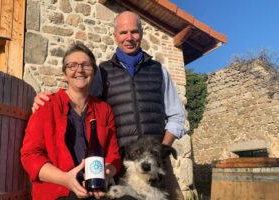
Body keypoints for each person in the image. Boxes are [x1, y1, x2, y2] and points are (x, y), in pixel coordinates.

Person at [32, 11, 186, 199]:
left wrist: (160, 150)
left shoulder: (159, 70)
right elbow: (81, 96)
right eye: (123, 33)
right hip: (122, 164)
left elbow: (177, 116)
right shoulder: (102, 72)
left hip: (157, 163)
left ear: (142, 34)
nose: (129, 37)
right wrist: (44, 99)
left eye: (134, 32)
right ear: (114, 36)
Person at [21, 44, 121, 200]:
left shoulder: (104, 110)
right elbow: (30, 155)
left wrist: (108, 172)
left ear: (93, 72)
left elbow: (113, 155)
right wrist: (65, 179)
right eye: (72, 65)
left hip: (97, 191)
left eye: (86, 65)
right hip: (58, 192)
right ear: (64, 74)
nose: (79, 70)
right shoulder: (46, 105)